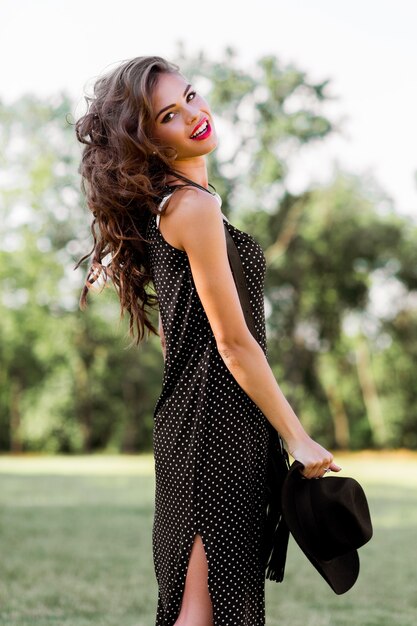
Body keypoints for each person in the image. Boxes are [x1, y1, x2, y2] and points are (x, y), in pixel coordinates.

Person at [75, 55, 341, 626]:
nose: (195, 115)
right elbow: (234, 342)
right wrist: (297, 437)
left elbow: (180, 343)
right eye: (171, 115)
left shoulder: (174, 207)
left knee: (215, 604)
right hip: (214, 427)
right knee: (205, 608)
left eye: (191, 96)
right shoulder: (192, 207)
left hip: (206, 422)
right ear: (148, 140)